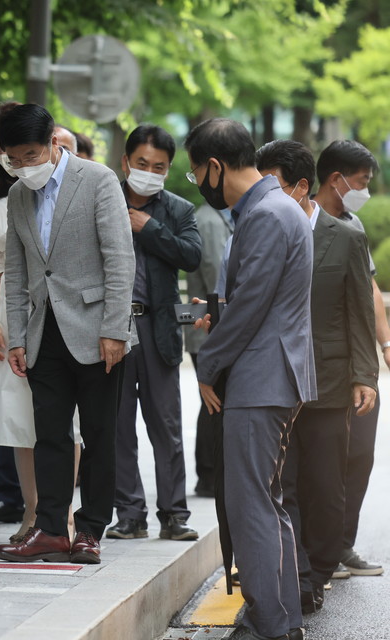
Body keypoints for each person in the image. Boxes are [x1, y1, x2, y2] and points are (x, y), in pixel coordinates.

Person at [187, 118, 315, 640]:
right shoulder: (274, 207)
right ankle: (280, 620)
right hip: (274, 374)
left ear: (215, 166)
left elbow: (250, 308)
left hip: (261, 376)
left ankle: (268, 623)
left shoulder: (265, 214)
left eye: (196, 170)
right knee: (267, 503)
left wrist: (207, 364)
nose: (196, 181)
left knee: (250, 506)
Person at [0, 104, 134, 565]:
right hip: (42, 333)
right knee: (49, 434)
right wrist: (17, 337)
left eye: (32, 154)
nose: (24, 166)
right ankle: (51, 529)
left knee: (98, 434)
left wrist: (115, 328)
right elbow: (16, 270)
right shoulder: (17, 196)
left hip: (97, 332)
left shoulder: (98, 180)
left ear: (53, 143)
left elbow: (119, 259)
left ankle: (90, 530)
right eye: (15, 159)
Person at [255, 139, 378, 616]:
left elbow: (358, 311)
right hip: (274, 379)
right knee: (281, 485)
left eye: (274, 185)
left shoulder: (344, 236)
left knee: (326, 486)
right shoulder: (258, 229)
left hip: (328, 381)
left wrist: (364, 374)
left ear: (301, 186)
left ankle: (322, 566)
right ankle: (299, 574)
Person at [108, 125, 202, 542]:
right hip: (113, 327)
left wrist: (148, 227)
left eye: (158, 167)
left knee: (166, 425)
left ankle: (174, 514)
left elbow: (192, 256)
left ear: (168, 170)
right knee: (117, 426)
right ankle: (129, 514)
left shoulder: (179, 209)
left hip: (159, 327)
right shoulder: (104, 201)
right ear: (126, 162)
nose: (148, 171)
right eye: (141, 163)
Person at [312, 140, 387, 579]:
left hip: (356, 365)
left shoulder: (353, 225)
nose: (365, 192)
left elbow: (369, 292)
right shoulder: (302, 221)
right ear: (336, 179)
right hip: (324, 366)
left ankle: (341, 545)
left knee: (359, 454)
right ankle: (318, 549)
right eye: (361, 183)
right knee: (324, 461)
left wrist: (386, 346)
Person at [0, 101, 39, 543]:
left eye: (14, 148)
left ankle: (63, 513)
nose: (8, 157)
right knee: (18, 419)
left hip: (56, 315)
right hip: (8, 315)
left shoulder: (62, 188)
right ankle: (32, 511)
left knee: (62, 422)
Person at [184, 203, 232, 498]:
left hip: (211, 325)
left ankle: (209, 474)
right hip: (209, 326)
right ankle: (209, 475)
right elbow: (218, 278)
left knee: (212, 400)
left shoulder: (219, 218)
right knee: (213, 400)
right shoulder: (210, 221)